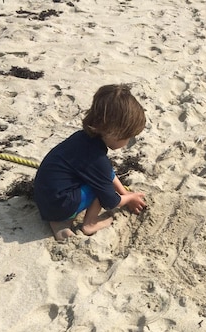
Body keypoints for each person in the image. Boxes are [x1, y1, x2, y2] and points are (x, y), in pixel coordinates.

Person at [34, 84, 147, 240]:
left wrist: (125, 192)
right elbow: (110, 201)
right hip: (59, 204)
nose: (127, 143)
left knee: (98, 179)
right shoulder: (97, 159)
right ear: (114, 132)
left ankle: (58, 222)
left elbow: (107, 172)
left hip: (45, 197)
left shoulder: (83, 138)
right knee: (98, 188)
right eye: (128, 137)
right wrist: (130, 198)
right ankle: (90, 224)